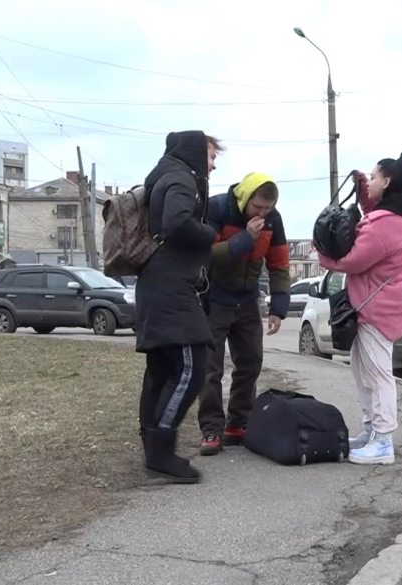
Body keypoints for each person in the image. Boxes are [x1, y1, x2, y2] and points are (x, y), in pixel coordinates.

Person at [317, 151, 402, 465]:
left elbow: (354, 259)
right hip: (374, 306)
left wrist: (322, 258)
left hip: (377, 309)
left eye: (374, 177)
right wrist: (364, 192)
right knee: (363, 371)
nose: (370, 179)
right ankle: (372, 432)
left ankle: (384, 441)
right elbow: (376, 213)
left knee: (377, 374)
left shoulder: (387, 224)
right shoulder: (399, 215)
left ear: (387, 181)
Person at [135, 130, 222, 484]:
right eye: (212, 157)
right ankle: (160, 450)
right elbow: (176, 222)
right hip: (171, 289)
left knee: (161, 368)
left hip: (158, 284)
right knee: (192, 365)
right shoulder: (182, 178)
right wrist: (209, 233)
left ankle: (154, 447)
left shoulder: (166, 175)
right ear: (196, 153)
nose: (213, 165)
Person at [197, 172, 292, 455]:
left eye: (267, 209)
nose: (262, 214)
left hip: (249, 299)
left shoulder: (274, 220)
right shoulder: (216, 209)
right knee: (210, 367)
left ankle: (238, 424)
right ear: (245, 198)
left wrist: (278, 308)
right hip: (215, 297)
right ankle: (212, 428)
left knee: (250, 361)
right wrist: (244, 239)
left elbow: (279, 264)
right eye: (257, 208)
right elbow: (205, 255)